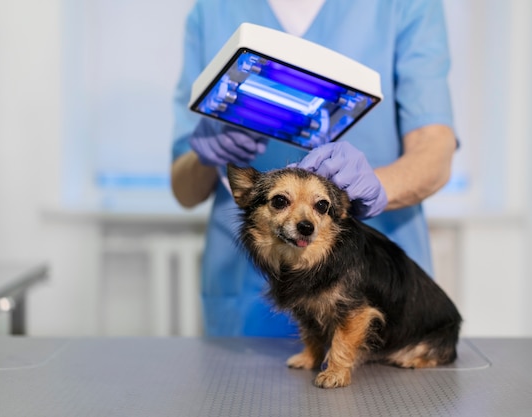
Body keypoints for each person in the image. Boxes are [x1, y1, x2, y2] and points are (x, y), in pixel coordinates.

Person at [171, 0, 457, 337]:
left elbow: (435, 150)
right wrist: (205, 152)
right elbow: (184, 190)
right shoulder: (214, 9)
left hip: (367, 273)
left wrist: (377, 185)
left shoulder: (404, 6)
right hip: (246, 292)